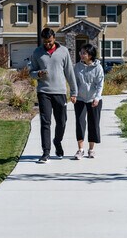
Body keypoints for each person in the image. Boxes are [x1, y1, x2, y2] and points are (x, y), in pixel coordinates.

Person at [30, 28, 77, 163]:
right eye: (45, 42)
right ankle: (46, 152)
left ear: (54, 38)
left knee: (62, 122)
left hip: (60, 92)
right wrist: (37, 74)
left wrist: (74, 92)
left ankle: (57, 141)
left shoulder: (63, 51)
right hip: (44, 91)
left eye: (49, 42)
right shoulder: (37, 52)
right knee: (46, 122)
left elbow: (69, 72)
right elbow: (31, 72)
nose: (47, 45)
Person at [72, 43, 104, 160]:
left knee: (93, 123)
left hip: (94, 99)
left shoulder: (98, 68)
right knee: (80, 123)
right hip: (80, 99)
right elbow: (75, 82)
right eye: (81, 52)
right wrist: (73, 94)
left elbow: (100, 84)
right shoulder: (77, 67)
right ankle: (80, 150)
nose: (81, 55)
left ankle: (91, 149)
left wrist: (97, 97)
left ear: (90, 55)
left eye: (84, 53)